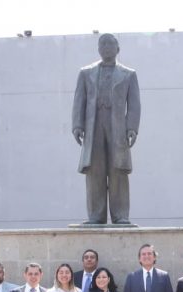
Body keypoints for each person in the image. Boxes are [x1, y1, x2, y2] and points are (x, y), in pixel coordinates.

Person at [72, 33, 141, 225]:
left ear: (118, 49)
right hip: (93, 125)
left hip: (117, 126)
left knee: (118, 170)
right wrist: (77, 124)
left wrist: (132, 128)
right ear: (98, 49)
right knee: (95, 171)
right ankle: (96, 216)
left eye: (111, 44)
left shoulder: (129, 74)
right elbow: (79, 100)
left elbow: (134, 105)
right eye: (103, 44)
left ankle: (121, 216)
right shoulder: (86, 73)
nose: (107, 47)